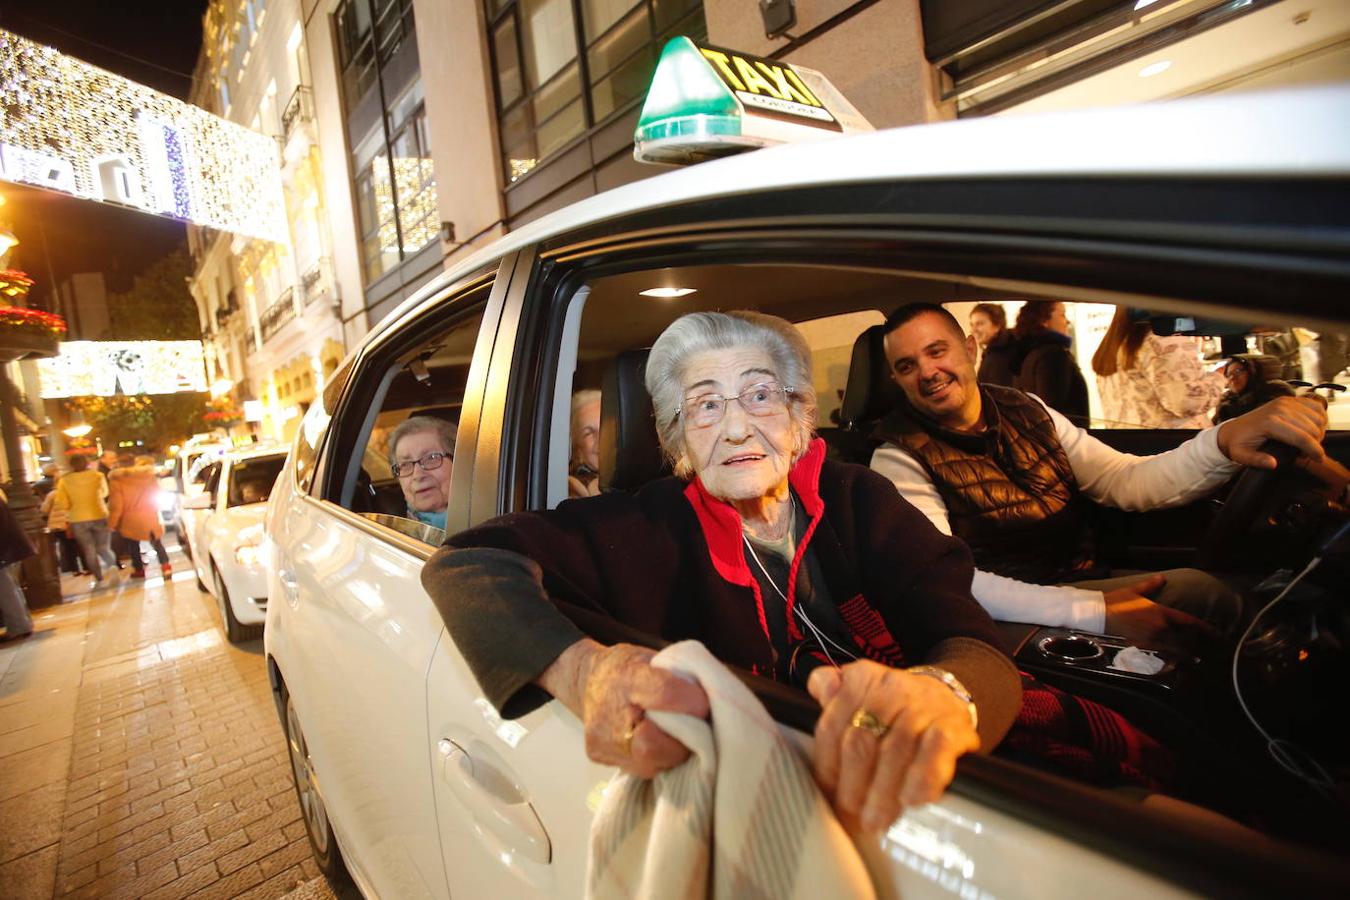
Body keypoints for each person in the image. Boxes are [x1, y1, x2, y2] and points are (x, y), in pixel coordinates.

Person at [424, 311, 1022, 832]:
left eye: (760, 394)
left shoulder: (858, 498)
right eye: (706, 405)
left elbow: (971, 641)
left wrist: (943, 697)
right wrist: (584, 669)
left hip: (914, 791)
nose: (737, 427)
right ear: (675, 436)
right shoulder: (637, 525)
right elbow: (467, 564)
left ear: (799, 413)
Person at [870, 303, 1329, 646]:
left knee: (1226, 590)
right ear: (896, 379)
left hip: (1074, 575)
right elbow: (952, 578)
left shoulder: (1025, 408)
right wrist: (1096, 610)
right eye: (907, 366)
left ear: (970, 349)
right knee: (1205, 594)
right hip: (1015, 611)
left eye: (937, 351)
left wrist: (1224, 441)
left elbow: (1125, 480)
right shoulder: (898, 458)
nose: (928, 372)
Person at [1092, 306, 1225, 429]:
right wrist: (1220, 376)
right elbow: (1187, 403)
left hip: (1130, 446)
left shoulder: (1113, 348)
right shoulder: (1165, 340)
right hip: (1175, 447)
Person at [1009, 300, 1089, 424]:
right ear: (1044, 321)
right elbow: (1053, 411)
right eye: (1062, 315)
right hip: (1065, 439)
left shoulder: (1028, 353)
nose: (1067, 321)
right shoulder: (1054, 355)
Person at [53, 453, 118, 584]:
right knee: (103, 547)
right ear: (86, 463)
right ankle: (112, 566)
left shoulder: (64, 480)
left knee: (89, 549)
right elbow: (105, 492)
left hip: (77, 518)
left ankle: (99, 577)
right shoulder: (97, 476)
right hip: (99, 514)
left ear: (71, 465)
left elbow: (62, 503)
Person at [108, 453, 172, 579]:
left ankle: (139, 570)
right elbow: (157, 492)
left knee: (133, 546)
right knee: (157, 542)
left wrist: (112, 523)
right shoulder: (148, 475)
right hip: (149, 514)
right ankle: (166, 567)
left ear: (119, 465)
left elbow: (117, 505)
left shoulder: (117, 480)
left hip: (130, 518)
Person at [388, 415, 457, 531]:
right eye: (405, 464)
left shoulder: (492, 520)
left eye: (431, 458)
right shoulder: (391, 537)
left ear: (459, 463)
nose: (418, 475)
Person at [1213, 354, 1297, 424]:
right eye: (1229, 374)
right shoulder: (1227, 400)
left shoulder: (1275, 391)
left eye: (1238, 371)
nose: (1232, 378)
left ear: (1253, 371)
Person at [0, 493, 35, 642]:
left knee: (5, 589)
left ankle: (19, 627)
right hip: (7, 548)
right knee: (10, 588)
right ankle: (22, 624)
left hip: (3, 550)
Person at [970, 302, 1016, 387]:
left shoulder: (999, 357)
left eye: (979, 324)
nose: (973, 330)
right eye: (972, 324)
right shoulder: (994, 351)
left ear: (997, 326)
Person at [568, 389, 602, 498]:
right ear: (578, 452)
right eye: (588, 433)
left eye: (605, 427)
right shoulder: (573, 489)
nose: (600, 437)